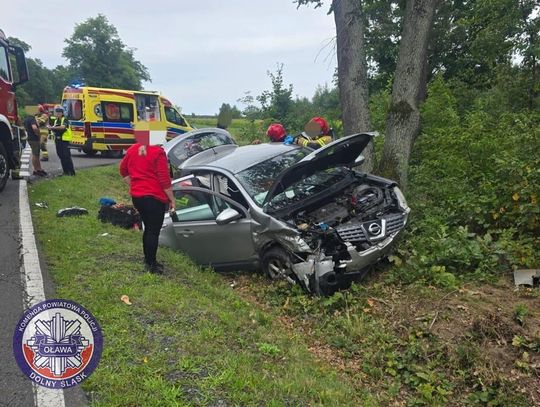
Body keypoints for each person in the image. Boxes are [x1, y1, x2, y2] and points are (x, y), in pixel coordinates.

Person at [119, 141, 175, 274]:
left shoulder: (133, 149)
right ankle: (151, 264)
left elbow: (122, 169)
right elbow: (164, 178)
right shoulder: (158, 152)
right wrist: (172, 199)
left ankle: (148, 259)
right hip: (154, 197)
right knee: (153, 231)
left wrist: (134, 185)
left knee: (148, 228)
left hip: (137, 197)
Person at [48, 106, 76, 176]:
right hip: (58, 140)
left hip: (64, 140)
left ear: (62, 113)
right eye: (56, 112)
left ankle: (71, 172)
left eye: (59, 112)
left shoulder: (65, 119)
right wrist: (51, 128)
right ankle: (65, 171)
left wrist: (53, 128)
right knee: (61, 156)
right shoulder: (55, 120)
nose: (57, 114)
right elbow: (53, 128)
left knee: (67, 156)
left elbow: (63, 127)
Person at [23, 112, 47, 177]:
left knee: (36, 154)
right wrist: (38, 134)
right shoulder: (32, 119)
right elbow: (34, 128)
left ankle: (39, 169)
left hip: (30, 138)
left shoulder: (26, 119)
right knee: (35, 155)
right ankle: (36, 170)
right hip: (34, 139)